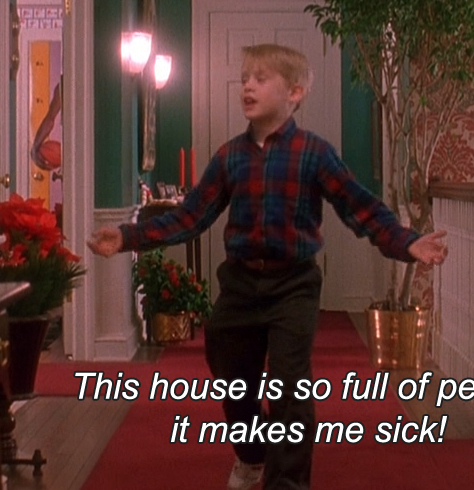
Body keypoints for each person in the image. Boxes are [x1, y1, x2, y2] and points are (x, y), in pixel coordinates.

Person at [87, 43, 447, 490]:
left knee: (290, 387)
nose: (248, 86)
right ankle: (252, 454)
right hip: (239, 285)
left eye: (260, 78)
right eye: (245, 79)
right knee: (231, 378)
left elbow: (361, 207)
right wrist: (127, 237)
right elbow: (190, 216)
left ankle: (287, 482)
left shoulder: (314, 152)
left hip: (294, 285)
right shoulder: (229, 156)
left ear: (294, 92)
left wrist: (407, 243)